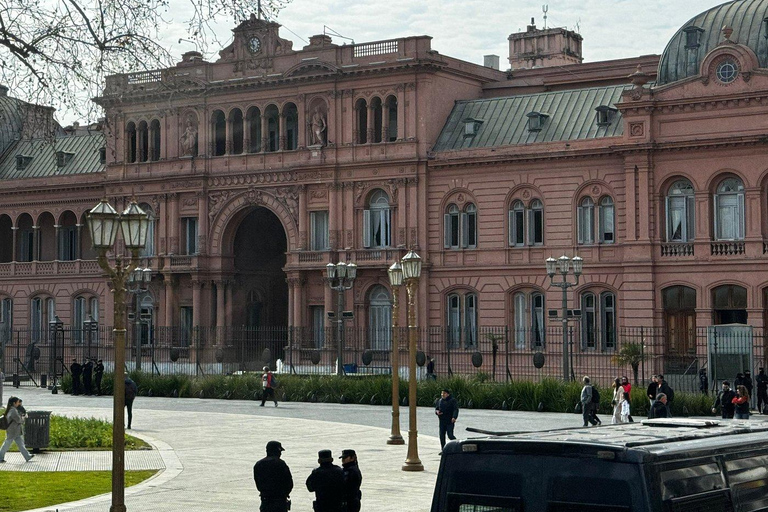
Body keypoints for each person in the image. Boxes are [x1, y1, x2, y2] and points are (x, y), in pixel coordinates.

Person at [253, 440, 293, 512]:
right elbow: (289, 482)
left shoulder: (258, 464)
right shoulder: (281, 463)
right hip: (279, 500)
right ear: (277, 451)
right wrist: (285, 493)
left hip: (265, 499)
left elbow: (258, 483)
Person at [0, 396, 34, 463]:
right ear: (14, 403)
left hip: (15, 430)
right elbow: (19, 420)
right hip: (13, 430)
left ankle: (27, 456)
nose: (19, 403)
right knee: (7, 444)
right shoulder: (13, 411)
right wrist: (24, 417)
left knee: (20, 444)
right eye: (18, 402)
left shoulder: (11, 409)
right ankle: (0, 457)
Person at [435, 388, 459, 452]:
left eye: (444, 393)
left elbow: (455, 409)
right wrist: (437, 412)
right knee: (441, 435)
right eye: (442, 393)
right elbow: (437, 409)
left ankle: (457, 445)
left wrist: (454, 417)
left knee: (450, 435)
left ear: (448, 394)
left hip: (450, 421)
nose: (442, 395)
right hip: (442, 420)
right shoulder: (439, 401)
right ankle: (443, 450)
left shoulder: (452, 400)